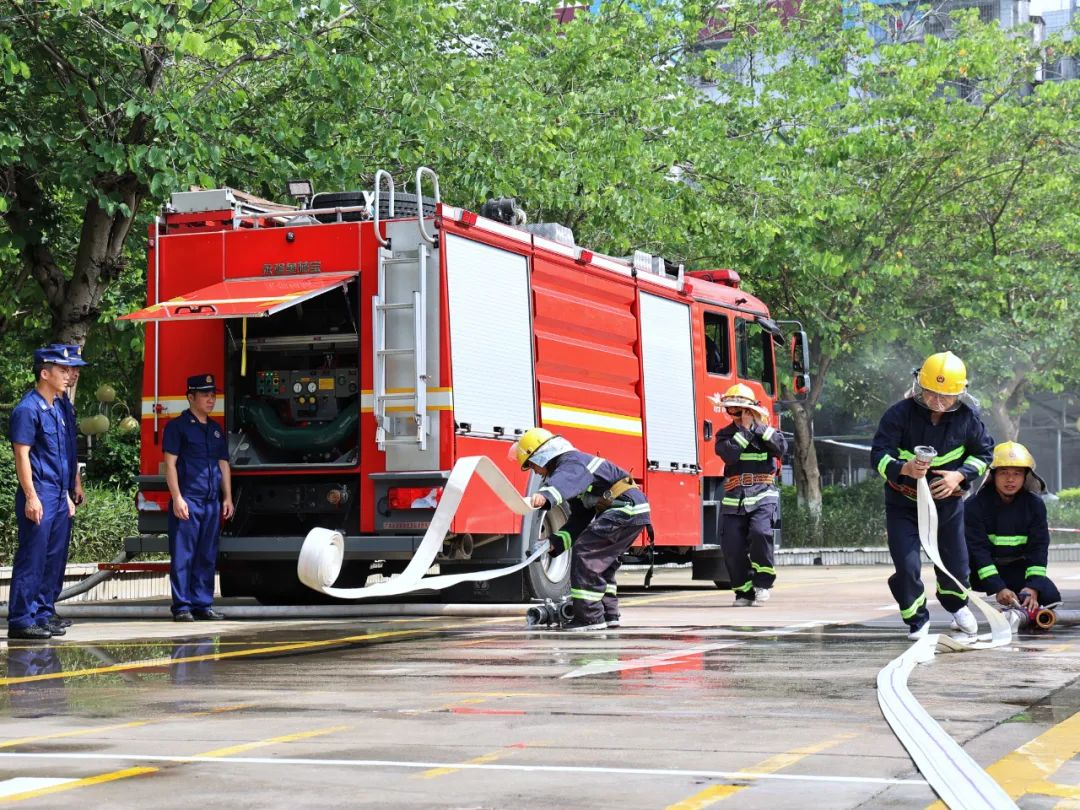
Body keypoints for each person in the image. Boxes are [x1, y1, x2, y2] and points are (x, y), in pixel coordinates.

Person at [870, 351, 994, 640]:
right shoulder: (898, 415)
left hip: (947, 505)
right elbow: (878, 455)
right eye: (932, 393)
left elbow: (984, 454)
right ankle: (917, 619)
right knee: (907, 565)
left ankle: (957, 605)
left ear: (959, 393)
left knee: (956, 564)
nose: (938, 401)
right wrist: (904, 468)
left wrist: (958, 476)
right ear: (920, 386)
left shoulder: (968, 419)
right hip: (903, 504)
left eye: (946, 396)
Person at [511, 427, 652, 631]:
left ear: (541, 455)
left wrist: (546, 495)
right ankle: (608, 614)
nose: (536, 472)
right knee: (602, 562)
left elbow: (565, 480)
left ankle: (590, 618)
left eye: (532, 465)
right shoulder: (573, 468)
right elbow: (580, 520)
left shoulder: (570, 462)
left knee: (585, 553)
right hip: (631, 511)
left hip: (625, 509)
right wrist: (554, 543)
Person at [7, 347, 80, 640]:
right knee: (33, 557)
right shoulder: (28, 409)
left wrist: (66, 494)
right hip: (40, 491)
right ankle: (21, 618)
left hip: (57, 493)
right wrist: (31, 496)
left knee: (53, 557)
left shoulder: (56, 408)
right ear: (45, 373)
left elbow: (62, 457)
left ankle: (42, 613)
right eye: (62, 370)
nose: (68, 375)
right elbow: (22, 455)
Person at [163, 373, 233, 622]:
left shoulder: (215, 429)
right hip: (189, 500)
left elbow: (223, 464)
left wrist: (227, 497)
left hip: (211, 501)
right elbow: (170, 465)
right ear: (190, 397)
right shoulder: (177, 427)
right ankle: (182, 606)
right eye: (205, 395)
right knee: (184, 555)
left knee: (206, 555)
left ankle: (203, 604)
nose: (211, 399)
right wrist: (177, 498)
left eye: (213, 395)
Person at [713, 383, 787, 606]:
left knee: (760, 533)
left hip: (763, 493)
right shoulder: (724, 435)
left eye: (739, 410)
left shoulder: (767, 431)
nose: (734, 413)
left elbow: (781, 448)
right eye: (730, 409)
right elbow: (729, 455)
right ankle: (744, 592)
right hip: (734, 496)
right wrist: (745, 431)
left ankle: (762, 584)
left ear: (749, 410)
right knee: (732, 546)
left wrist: (758, 427)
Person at [966, 441, 1060, 612]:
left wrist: (1032, 587)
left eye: (1017, 473)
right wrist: (997, 587)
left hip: (1016, 569)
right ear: (993, 475)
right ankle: (958, 611)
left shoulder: (1035, 505)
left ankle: (1018, 602)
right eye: (1004, 473)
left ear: (1026, 476)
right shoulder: (974, 505)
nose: (1010, 479)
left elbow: (1038, 549)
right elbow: (978, 550)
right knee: (955, 569)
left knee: (1050, 598)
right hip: (978, 570)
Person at [44, 342, 88, 630]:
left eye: (75, 371)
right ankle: (39, 611)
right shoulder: (43, 406)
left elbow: (69, 450)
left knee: (58, 555)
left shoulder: (64, 406)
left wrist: (76, 482)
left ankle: (48, 606)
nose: (73, 375)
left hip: (65, 488)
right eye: (69, 369)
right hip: (48, 490)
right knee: (44, 554)